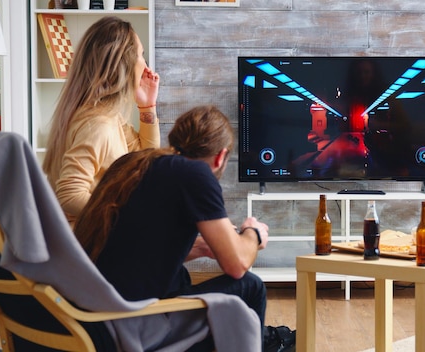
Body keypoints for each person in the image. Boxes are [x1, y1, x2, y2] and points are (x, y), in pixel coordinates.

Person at [73, 105, 296, 352]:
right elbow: (237, 264)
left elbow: (137, 249)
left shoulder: (131, 163)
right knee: (251, 285)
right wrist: (252, 233)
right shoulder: (196, 173)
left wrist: (200, 247)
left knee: (182, 278)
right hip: (131, 321)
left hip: (92, 312)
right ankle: (266, 343)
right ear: (221, 157)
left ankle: (264, 339)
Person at [42, 16, 161, 226]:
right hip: (87, 244)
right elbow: (69, 195)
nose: (145, 64)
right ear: (124, 64)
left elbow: (146, 159)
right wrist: (123, 215)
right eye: (141, 55)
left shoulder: (106, 115)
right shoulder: (98, 125)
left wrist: (147, 107)